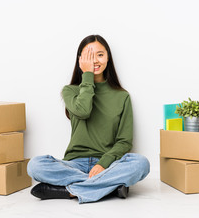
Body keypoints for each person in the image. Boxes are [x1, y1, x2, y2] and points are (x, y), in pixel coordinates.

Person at [27, 35, 150, 204]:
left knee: (141, 163)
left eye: (100, 54)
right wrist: (87, 76)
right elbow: (83, 111)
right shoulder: (70, 91)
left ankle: (70, 191)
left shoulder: (122, 96)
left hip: (108, 164)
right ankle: (110, 186)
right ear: (80, 60)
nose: (94, 60)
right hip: (74, 164)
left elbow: (124, 142)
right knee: (35, 165)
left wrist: (103, 165)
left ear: (108, 57)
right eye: (88, 56)